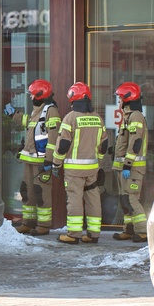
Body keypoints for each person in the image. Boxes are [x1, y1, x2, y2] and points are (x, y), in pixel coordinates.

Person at [52, 82, 109, 245]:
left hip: (74, 170)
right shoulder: (97, 118)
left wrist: (56, 164)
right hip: (92, 168)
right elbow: (103, 144)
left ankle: (74, 234)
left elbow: (62, 145)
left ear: (73, 99)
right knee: (93, 198)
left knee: (75, 199)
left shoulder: (70, 118)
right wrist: (98, 161)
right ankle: (94, 234)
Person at [4, 79, 61, 236]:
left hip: (42, 162)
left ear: (40, 94)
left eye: (32, 94)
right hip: (29, 159)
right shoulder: (39, 110)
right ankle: (27, 223)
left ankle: (43, 225)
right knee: (27, 191)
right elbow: (28, 122)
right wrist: (13, 114)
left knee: (41, 192)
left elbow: (53, 138)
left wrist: (49, 160)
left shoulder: (51, 111)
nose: (30, 97)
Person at [112, 82, 149, 243]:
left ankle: (142, 231)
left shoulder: (136, 116)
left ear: (128, 98)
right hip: (124, 167)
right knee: (124, 199)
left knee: (131, 199)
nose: (119, 101)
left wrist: (127, 163)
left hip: (132, 168)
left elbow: (136, 142)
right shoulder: (128, 116)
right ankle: (129, 229)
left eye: (120, 98)